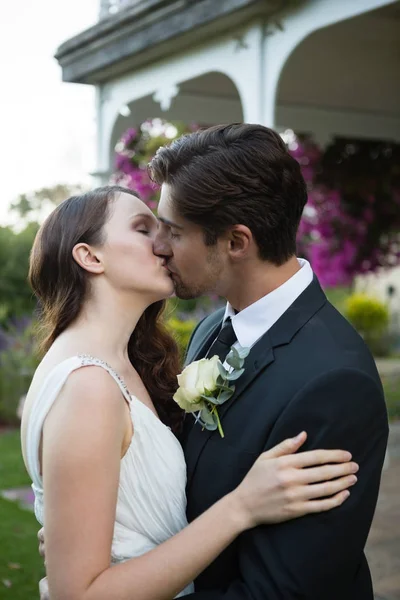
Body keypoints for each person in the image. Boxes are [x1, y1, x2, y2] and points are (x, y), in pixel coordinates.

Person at [21, 185, 357, 600]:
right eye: (144, 229)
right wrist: (242, 507)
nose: (163, 245)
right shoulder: (88, 386)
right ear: (91, 256)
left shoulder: (121, 364)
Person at [147, 123, 389, 599]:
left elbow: (282, 591)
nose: (158, 246)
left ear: (236, 242)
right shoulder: (212, 329)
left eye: (174, 231)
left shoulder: (333, 383)